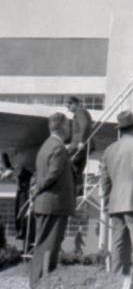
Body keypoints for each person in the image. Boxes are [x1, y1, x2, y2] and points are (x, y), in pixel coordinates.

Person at [101, 110, 133, 279]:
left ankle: (115, 279)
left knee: (117, 244)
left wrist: (107, 200)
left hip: (115, 202)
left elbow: (105, 180)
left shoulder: (109, 149)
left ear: (120, 129)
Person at [29, 112, 75, 287]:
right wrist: (37, 189)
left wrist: (35, 189)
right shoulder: (58, 148)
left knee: (43, 248)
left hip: (46, 205)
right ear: (62, 127)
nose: (70, 128)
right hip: (53, 205)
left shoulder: (46, 146)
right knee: (48, 250)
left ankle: (37, 283)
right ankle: (41, 285)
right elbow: (52, 174)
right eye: (68, 125)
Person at [65, 96, 93, 194]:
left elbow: (84, 124)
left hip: (79, 145)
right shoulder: (83, 112)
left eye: (69, 104)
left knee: (66, 164)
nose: (67, 107)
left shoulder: (79, 112)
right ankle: (77, 192)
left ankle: (74, 192)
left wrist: (81, 141)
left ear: (75, 103)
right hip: (79, 145)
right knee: (77, 170)